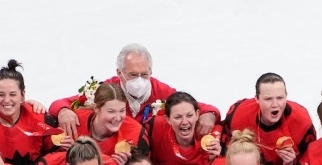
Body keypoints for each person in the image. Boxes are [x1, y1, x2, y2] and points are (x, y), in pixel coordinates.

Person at [52, 43, 218, 136]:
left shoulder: (161, 90)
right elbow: (60, 103)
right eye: (132, 75)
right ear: (119, 72)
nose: (139, 80)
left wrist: (210, 114)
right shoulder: (106, 89)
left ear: (151, 72)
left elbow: (197, 107)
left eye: (144, 74)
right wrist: (63, 111)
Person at [222, 73, 315, 165]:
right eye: (268, 99)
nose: (275, 104)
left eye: (280, 98)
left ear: (286, 96)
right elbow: (225, 154)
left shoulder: (302, 123)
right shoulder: (238, 115)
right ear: (256, 99)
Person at [144, 91, 223, 165]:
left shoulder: (214, 137)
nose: (185, 122)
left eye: (189, 115)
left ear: (197, 115)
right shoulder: (154, 127)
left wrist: (216, 161)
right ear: (168, 119)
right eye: (178, 117)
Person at [70, 82, 148, 165]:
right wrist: (66, 154)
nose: (118, 118)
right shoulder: (74, 121)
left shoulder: (137, 134)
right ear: (96, 108)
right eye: (111, 111)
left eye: (122, 111)